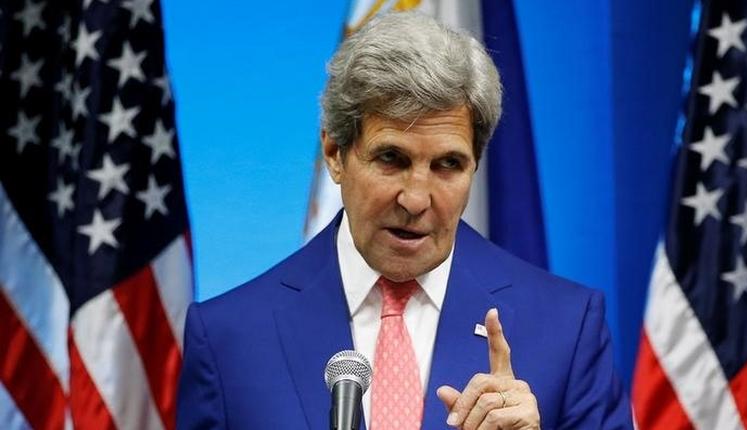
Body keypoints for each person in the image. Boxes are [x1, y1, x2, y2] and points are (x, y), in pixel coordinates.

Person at [177, 11, 632, 430]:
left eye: (448, 165)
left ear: (475, 164)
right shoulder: (228, 338)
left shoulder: (566, 329)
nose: (416, 199)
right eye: (392, 158)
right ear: (335, 153)